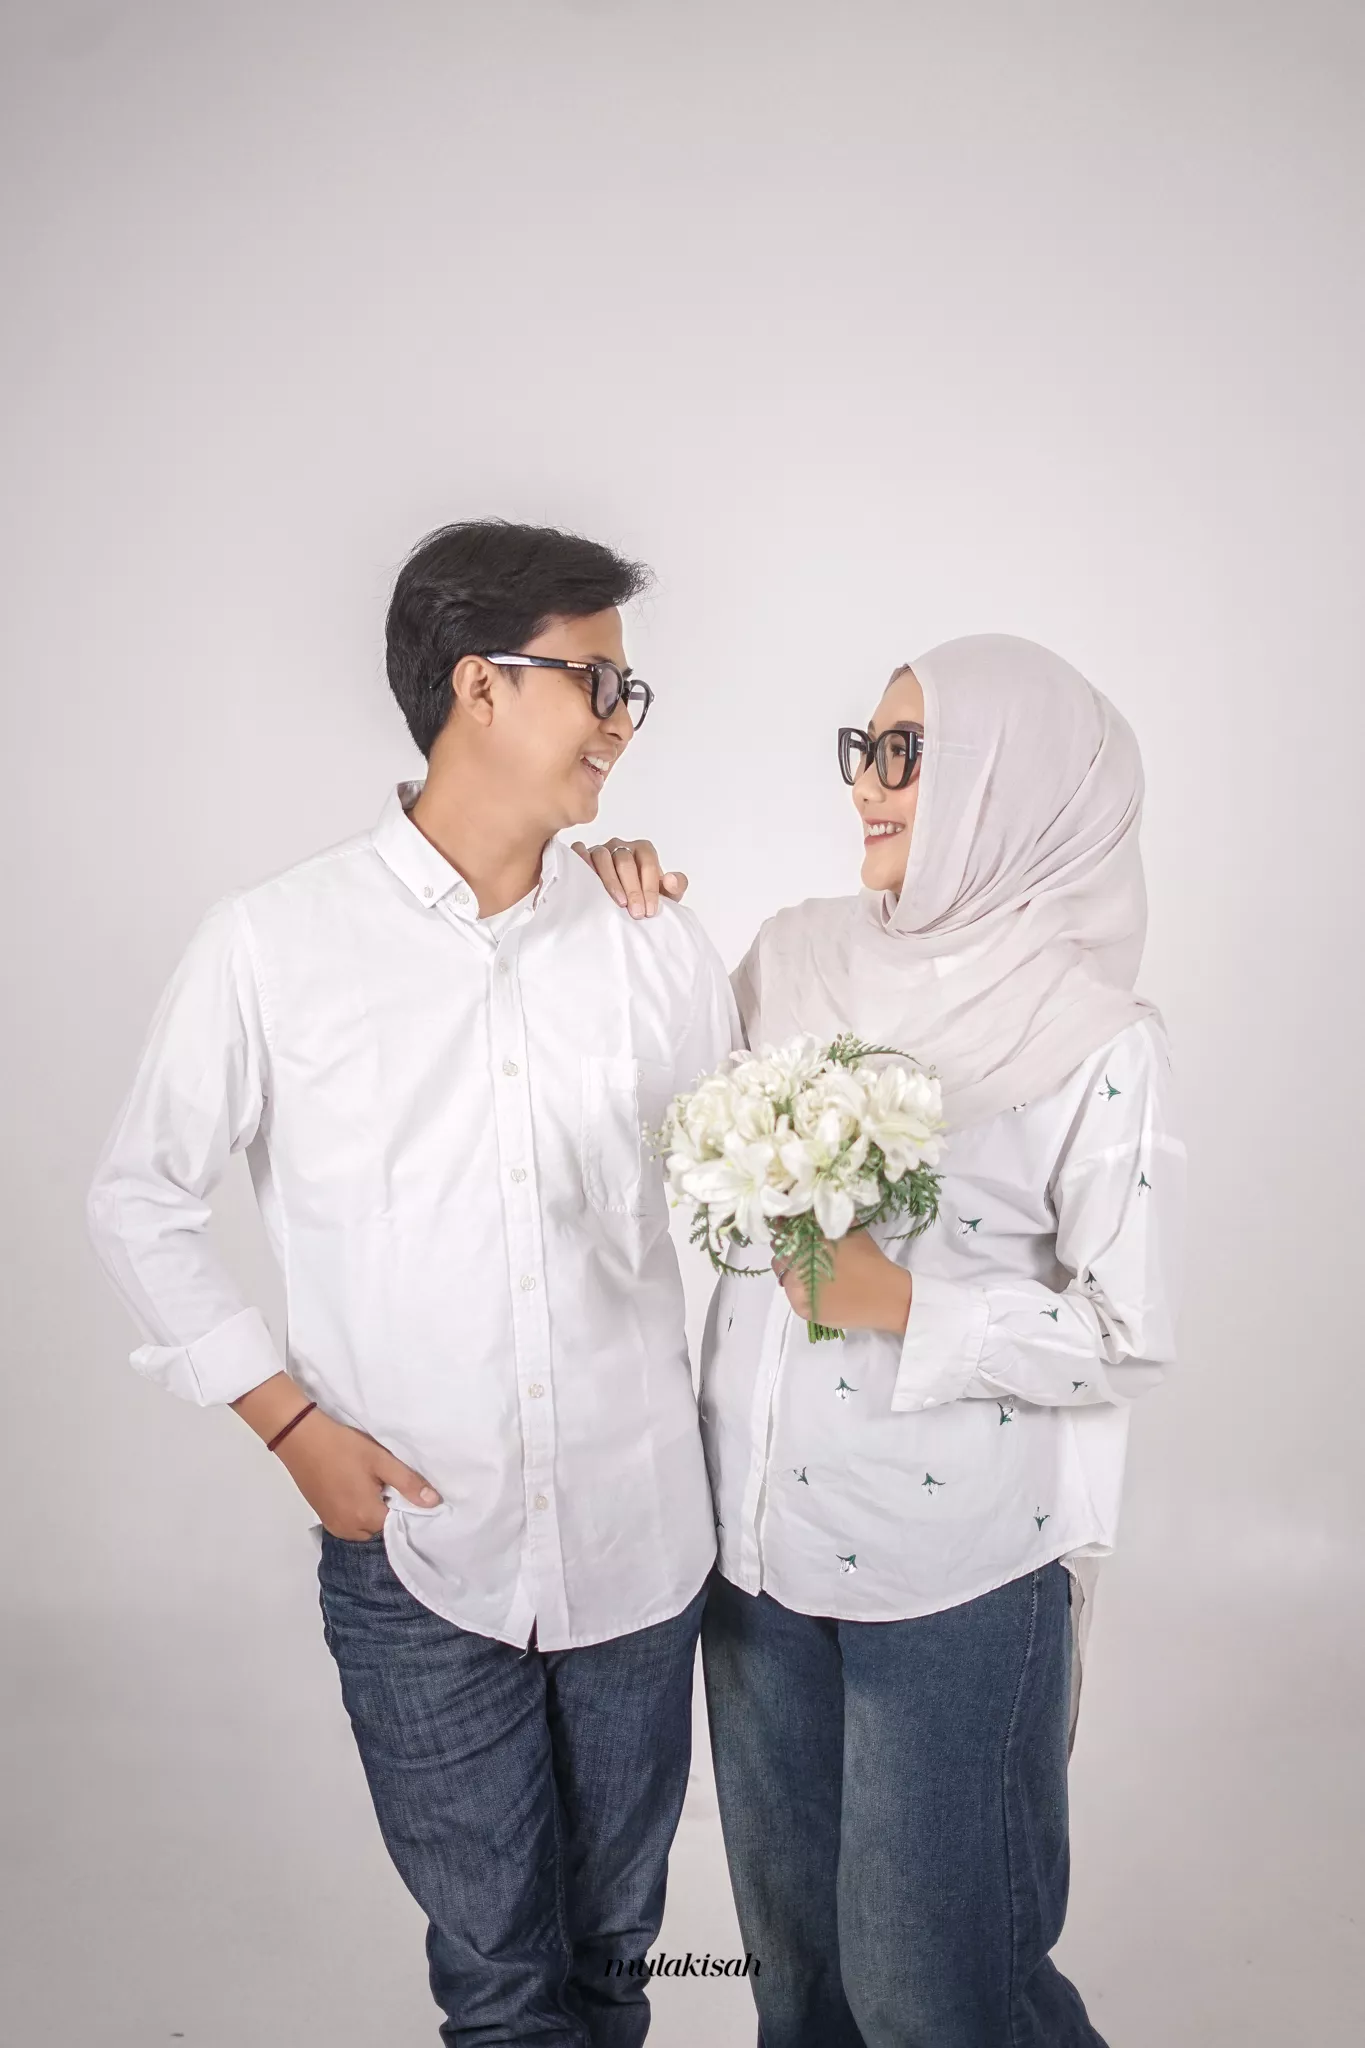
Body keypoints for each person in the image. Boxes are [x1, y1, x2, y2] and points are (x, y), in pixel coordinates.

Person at [87, 520, 739, 2047]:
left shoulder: (649, 939)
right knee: (501, 1987)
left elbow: (744, 1202)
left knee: (613, 1964)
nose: (622, 723)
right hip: (419, 1548)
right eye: (596, 683)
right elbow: (138, 1198)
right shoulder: (275, 943)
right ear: (479, 685)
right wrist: (288, 1425)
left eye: (631, 691)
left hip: (641, 1537)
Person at [577, 635, 1185, 2048]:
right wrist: (620, 919)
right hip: (754, 1562)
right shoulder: (792, 956)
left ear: (1011, 782)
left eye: (907, 754)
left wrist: (907, 1301)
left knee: (938, 1999)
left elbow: (1126, 1335)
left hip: (953, 1581)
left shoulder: (1097, 1038)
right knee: (800, 1993)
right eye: (864, 749)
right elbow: (659, 1109)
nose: (868, 784)